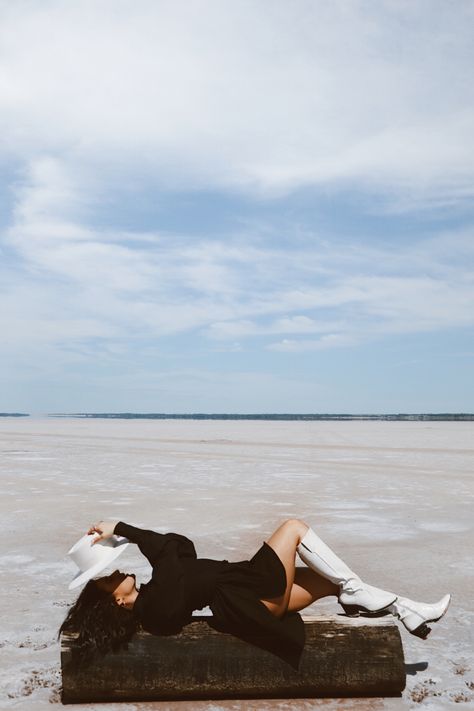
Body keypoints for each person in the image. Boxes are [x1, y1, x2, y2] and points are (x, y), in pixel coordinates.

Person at [60, 518, 451, 669]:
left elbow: (180, 545)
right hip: (250, 596)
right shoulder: (157, 604)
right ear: (115, 600)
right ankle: (355, 593)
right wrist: (123, 528)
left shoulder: (158, 589)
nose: (118, 570)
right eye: (109, 578)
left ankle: (407, 610)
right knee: (294, 527)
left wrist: (129, 535)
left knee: (329, 581)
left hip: (248, 592)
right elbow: (168, 550)